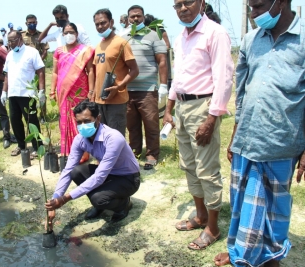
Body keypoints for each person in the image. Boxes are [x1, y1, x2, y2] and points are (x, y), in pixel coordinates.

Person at [214, 1, 305, 266]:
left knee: (274, 211)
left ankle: (271, 256)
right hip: (247, 139)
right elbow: (242, 93)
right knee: (242, 203)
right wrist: (235, 134)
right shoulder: (251, 40)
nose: (254, 14)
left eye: (260, 6)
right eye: (251, 7)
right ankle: (241, 252)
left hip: (281, 142)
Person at [163, 0, 233, 250]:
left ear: (202, 3)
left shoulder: (216, 33)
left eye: (188, 1)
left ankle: (212, 228)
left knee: (207, 169)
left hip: (203, 108)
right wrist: (169, 109)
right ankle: (201, 215)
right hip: (181, 107)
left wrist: (212, 118)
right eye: (177, 4)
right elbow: (178, 77)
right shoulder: (181, 37)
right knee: (189, 166)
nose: (183, 8)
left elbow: (224, 79)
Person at [45, 100, 141, 227]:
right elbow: (68, 170)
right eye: (79, 122)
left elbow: (100, 176)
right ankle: (100, 204)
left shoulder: (113, 138)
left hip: (128, 178)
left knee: (98, 198)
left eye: (87, 121)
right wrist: (55, 199)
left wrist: (65, 199)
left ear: (98, 119)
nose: (83, 125)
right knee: (76, 172)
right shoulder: (79, 139)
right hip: (108, 174)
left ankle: (123, 205)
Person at [122, 5, 167, 170]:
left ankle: (152, 155)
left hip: (148, 89)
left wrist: (163, 86)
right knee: (131, 124)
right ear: (128, 18)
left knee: (151, 123)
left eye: (138, 16)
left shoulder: (154, 35)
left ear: (143, 17)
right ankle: (134, 152)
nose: (135, 19)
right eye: (132, 17)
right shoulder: (124, 37)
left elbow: (162, 60)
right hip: (127, 90)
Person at [50, 22, 95, 163]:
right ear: (63, 35)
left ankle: (84, 152)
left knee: (80, 121)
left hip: (80, 92)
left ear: (76, 34)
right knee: (65, 121)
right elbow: (55, 73)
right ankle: (68, 150)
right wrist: (52, 91)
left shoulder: (85, 50)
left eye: (72, 32)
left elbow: (91, 71)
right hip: (63, 93)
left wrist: (92, 91)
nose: (69, 35)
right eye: (66, 32)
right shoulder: (58, 51)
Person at [92, 8, 139, 136]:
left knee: (115, 138)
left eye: (103, 23)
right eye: (97, 24)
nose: (100, 27)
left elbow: (134, 70)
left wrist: (119, 86)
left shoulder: (121, 43)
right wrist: (93, 96)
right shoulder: (98, 46)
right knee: (101, 137)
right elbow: (98, 73)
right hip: (99, 101)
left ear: (111, 22)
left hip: (116, 101)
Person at [2, 30, 45, 158]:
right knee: (15, 120)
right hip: (13, 93)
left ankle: (38, 147)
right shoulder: (9, 55)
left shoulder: (32, 52)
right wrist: (4, 91)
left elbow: (41, 71)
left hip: (28, 93)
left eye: (13, 40)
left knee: (31, 121)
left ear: (20, 38)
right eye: (8, 41)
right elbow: (7, 75)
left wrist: (41, 90)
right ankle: (21, 145)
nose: (10, 43)